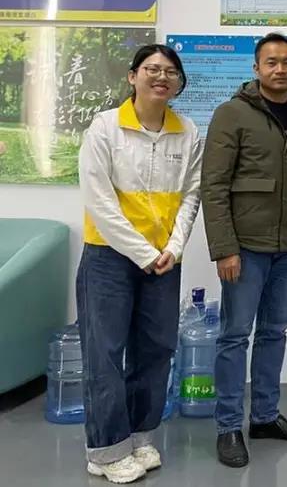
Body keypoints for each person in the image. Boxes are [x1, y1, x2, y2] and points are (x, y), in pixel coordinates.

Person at [201, 33, 287, 468]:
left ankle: (265, 417)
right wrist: (224, 248)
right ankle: (228, 426)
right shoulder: (231, 113)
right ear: (256, 68)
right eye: (271, 62)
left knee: (275, 332)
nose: (280, 69)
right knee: (235, 336)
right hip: (245, 247)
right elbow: (214, 185)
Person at [77, 44, 202, 484]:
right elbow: (99, 201)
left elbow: (191, 195)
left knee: (157, 349)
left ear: (179, 83)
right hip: (108, 258)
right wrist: (145, 253)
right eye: (152, 69)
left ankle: (139, 437)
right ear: (133, 77)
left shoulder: (187, 131)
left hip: (163, 261)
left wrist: (175, 247)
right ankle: (106, 450)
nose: (161, 77)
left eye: (170, 71)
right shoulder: (105, 127)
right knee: (105, 354)